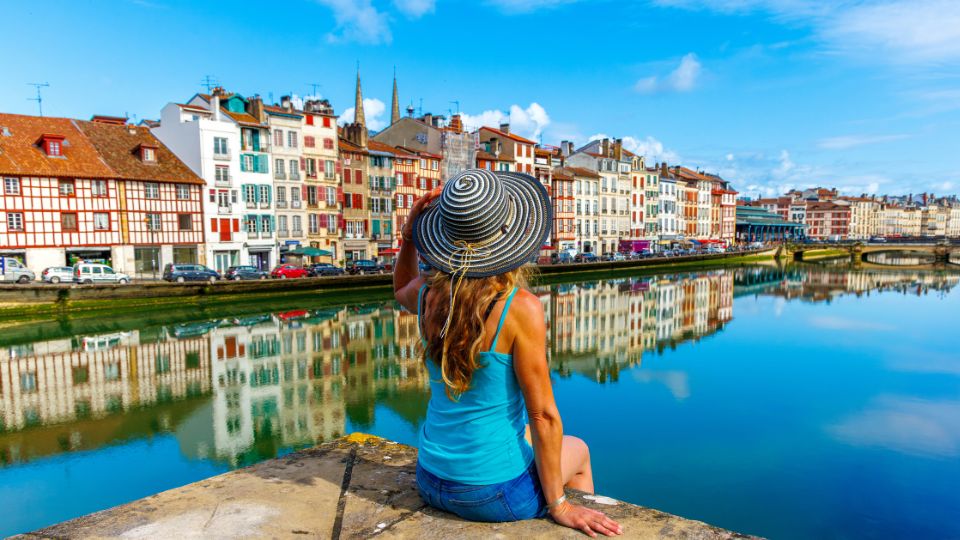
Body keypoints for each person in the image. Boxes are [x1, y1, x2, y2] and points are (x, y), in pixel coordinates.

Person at [394, 169, 622, 537]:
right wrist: (558, 503)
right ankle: (566, 520)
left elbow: (401, 286)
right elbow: (543, 415)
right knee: (577, 449)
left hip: (431, 480)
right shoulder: (520, 308)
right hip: (492, 495)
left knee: (522, 437)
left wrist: (408, 238)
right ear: (508, 234)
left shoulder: (428, 295)